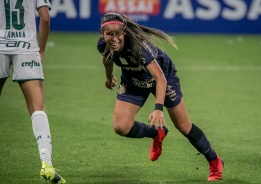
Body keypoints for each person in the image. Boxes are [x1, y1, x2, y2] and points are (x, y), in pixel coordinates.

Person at [97, 12, 224, 181]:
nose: (114, 38)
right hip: (133, 80)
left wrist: (158, 109)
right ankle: (157, 133)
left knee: (183, 125)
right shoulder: (103, 45)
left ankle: (215, 161)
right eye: (109, 34)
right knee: (121, 126)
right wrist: (108, 76)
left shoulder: (139, 47)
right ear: (102, 34)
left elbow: (160, 79)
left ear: (124, 32)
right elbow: (108, 59)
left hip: (163, 77)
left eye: (118, 33)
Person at [0, 1, 66, 183]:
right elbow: (45, 18)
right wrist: (41, 49)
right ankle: (47, 163)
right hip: (26, 47)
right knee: (37, 108)